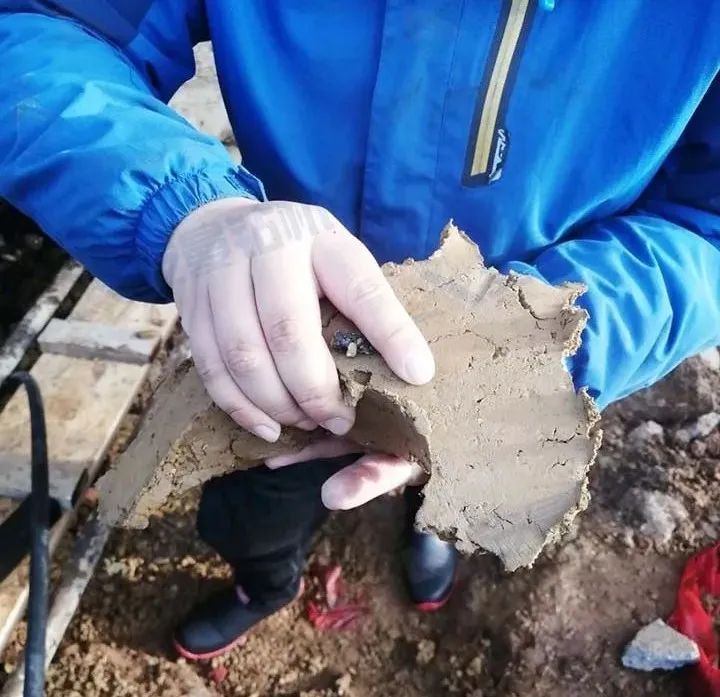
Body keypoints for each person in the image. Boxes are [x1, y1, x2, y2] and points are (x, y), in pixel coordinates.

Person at [2, 0, 720, 661]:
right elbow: (41, 25)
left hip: (502, 362)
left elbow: (706, 223)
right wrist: (184, 206)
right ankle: (266, 581)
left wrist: (538, 347)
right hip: (279, 334)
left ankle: (433, 530)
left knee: (448, 472)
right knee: (251, 502)